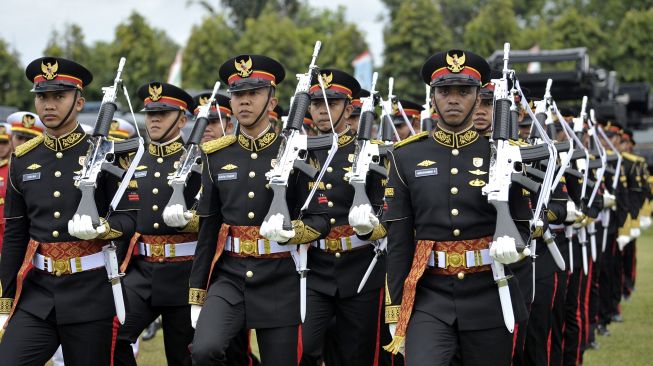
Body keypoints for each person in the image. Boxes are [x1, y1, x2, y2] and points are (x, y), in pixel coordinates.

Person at [383, 49, 531, 366]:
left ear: (479, 99)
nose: (453, 99)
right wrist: (395, 308)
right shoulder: (405, 155)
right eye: (444, 91)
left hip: (489, 290)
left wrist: (515, 245)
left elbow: (523, 221)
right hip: (429, 296)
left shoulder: (503, 153)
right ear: (432, 98)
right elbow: (398, 241)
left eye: (463, 91)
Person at [188, 54, 329, 365]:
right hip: (230, 276)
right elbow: (208, 227)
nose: (245, 102)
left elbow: (321, 220)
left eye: (254, 93)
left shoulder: (297, 153)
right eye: (239, 94)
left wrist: (292, 232)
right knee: (204, 351)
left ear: (272, 101)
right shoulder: (215, 155)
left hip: (281, 277)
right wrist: (197, 291)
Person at [0, 56, 137, 365]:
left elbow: (132, 217)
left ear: (79, 103)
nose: (49, 104)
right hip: (38, 296)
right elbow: (15, 233)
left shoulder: (107, 154)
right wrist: (5, 301)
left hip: (91, 293)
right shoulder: (22, 159)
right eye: (42, 97)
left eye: (58, 96)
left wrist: (104, 228)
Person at [299, 68, 387, 366]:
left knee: (356, 354)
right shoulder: (301, 153)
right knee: (306, 348)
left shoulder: (372, 152)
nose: (323, 110)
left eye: (331, 103)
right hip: (314, 269)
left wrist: (372, 226)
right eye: (317, 104)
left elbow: (390, 209)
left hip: (361, 266)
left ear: (349, 109)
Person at [112, 82, 199, 366]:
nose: (155, 119)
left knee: (182, 356)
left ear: (182, 120)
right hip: (142, 272)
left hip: (185, 273)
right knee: (112, 336)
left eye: (163, 113)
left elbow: (215, 214)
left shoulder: (199, 159)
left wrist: (191, 220)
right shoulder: (132, 160)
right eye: (150, 114)